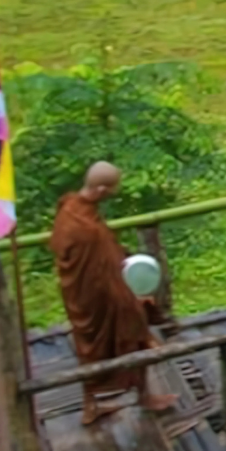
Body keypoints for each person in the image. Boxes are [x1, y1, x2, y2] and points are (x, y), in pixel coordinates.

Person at [50, 162, 175, 424]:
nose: (115, 192)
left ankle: (93, 405)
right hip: (97, 297)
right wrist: (134, 302)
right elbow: (102, 275)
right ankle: (143, 397)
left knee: (87, 347)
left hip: (79, 294)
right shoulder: (87, 231)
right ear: (102, 188)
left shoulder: (71, 207)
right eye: (113, 188)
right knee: (134, 334)